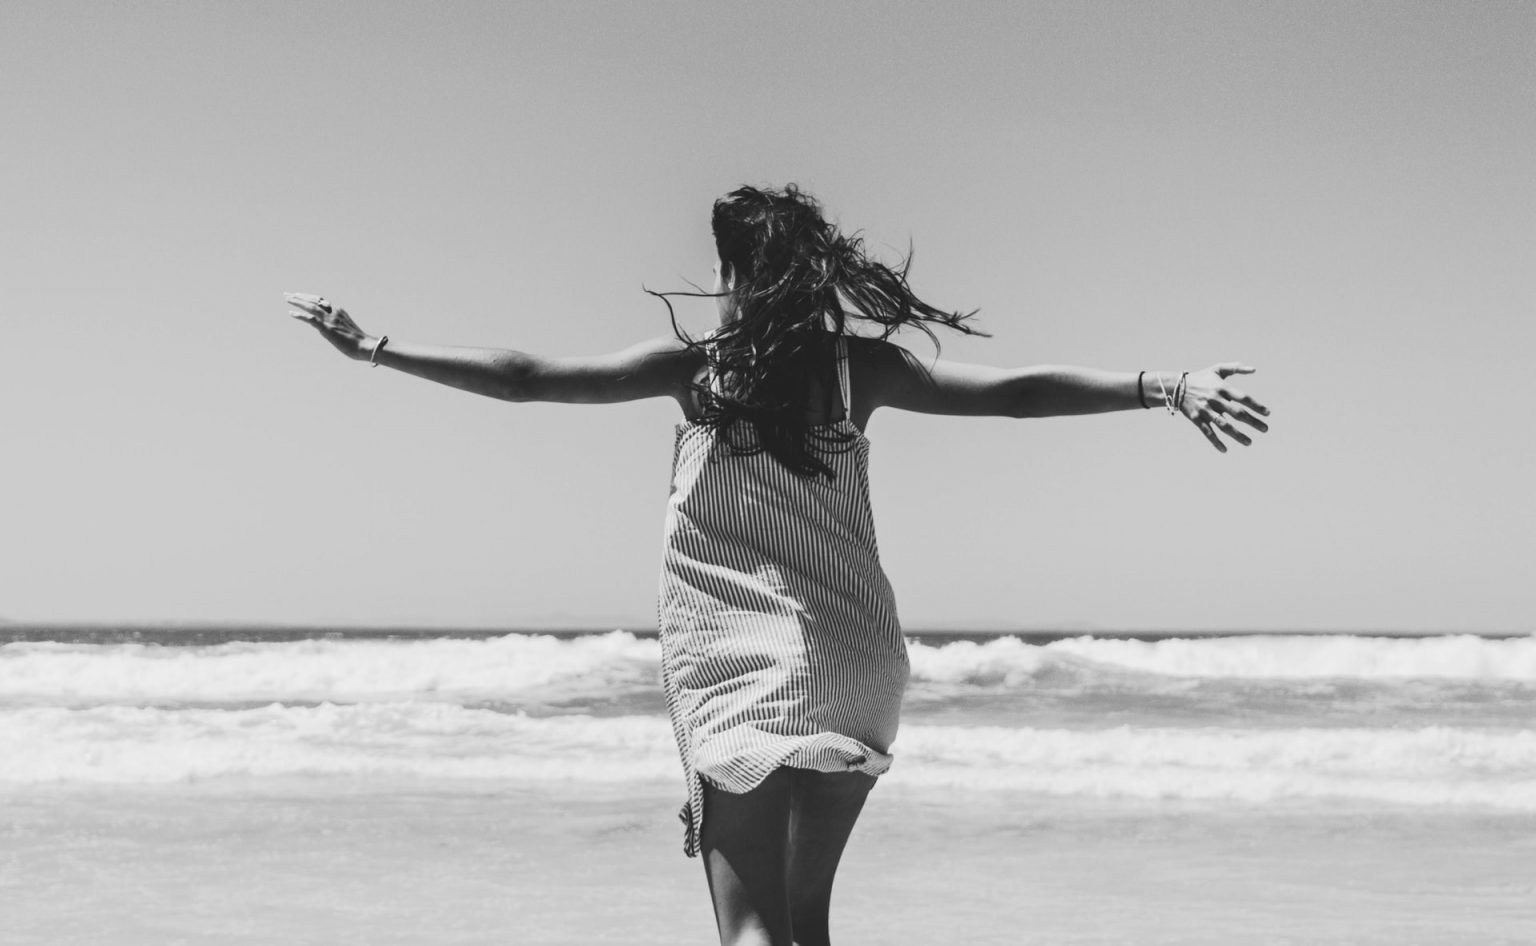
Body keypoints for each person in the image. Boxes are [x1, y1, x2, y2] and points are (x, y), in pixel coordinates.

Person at [285, 184, 1269, 946]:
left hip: (742, 676)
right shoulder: (857, 369)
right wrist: (1164, 384)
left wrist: (375, 347)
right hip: (858, 669)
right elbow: (1014, 394)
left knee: (752, 933)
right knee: (807, 930)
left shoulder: (697, 371)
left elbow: (528, 380)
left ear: (733, 272)